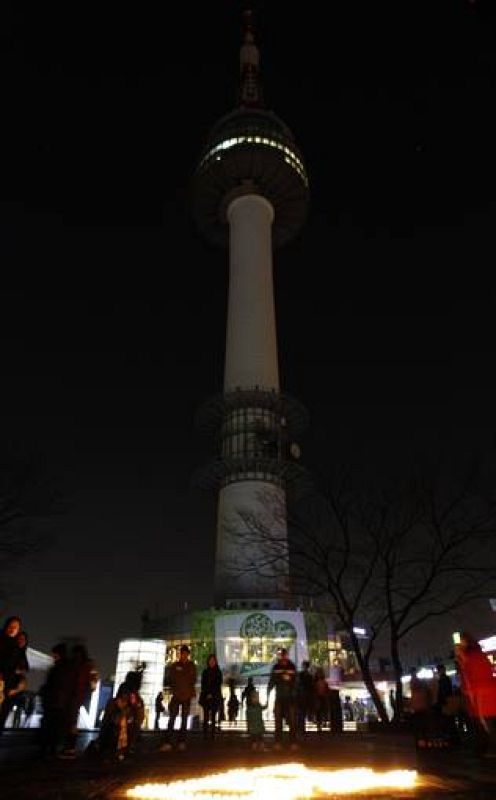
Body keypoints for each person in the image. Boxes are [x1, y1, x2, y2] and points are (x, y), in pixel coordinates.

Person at [456, 631, 496, 756]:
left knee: (486, 723)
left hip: (481, 695)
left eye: (461, 641)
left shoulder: (471, 657)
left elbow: (471, 677)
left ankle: (489, 748)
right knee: (485, 722)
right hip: (483, 694)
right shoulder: (478, 656)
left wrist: (462, 659)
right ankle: (484, 747)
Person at [59, 643, 98, 759]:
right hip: (78, 696)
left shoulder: (73, 664)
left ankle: (69, 748)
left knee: (70, 721)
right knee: (72, 722)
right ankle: (70, 748)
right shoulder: (89, 665)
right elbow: (93, 683)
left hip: (72, 695)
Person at [160, 644, 197, 752]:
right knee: (172, 718)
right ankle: (168, 742)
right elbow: (171, 679)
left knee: (184, 720)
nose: (184, 655)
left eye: (186, 654)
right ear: (180, 654)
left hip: (186, 696)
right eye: (183, 653)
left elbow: (193, 680)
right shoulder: (175, 665)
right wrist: (175, 689)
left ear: (188, 655)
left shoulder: (191, 666)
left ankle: (182, 741)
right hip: (176, 696)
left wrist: (189, 691)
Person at [39, 643, 73, 757]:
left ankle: (47, 749)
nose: (53, 656)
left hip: (55, 701)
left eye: (55, 654)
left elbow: (53, 685)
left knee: (51, 726)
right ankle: (52, 748)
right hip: (60, 702)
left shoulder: (58, 668)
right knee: (56, 727)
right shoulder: (67, 668)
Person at [0, 617, 28, 732]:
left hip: (9, 689)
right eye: (11, 626)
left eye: (16, 627)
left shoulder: (18, 648)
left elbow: (24, 667)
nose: (13, 629)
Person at [268, 648, 298, 750]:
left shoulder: (291, 667)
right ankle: (278, 742)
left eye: (284, 655)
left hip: (290, 698)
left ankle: (292, 742)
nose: (283, 657)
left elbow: (296, 682)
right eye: (282, 655)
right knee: (278, 721)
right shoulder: (277, 667)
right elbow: (272, 681)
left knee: (292, 721)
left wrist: (291, 684)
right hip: (280, 697)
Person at [199, 654, 223, 738]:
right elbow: (203, 684)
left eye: (213, 660)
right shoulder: (205, 672)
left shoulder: (218, 672)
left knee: (213, 716)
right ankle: (205, 734)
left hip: (214, 696)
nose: (212, 662)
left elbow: (218, 684)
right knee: (205, 716)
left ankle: (212, 733)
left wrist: (211, 694)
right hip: (206, 696)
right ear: (208, 662)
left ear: (215, 662)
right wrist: (207, 693)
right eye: (210, 660)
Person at [409, 667, 432, 748]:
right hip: (421, 706)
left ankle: (420, 741)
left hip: (417, 707)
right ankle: (424, 740)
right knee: (422, 724)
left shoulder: (413, 682)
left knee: (418, 725)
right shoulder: (419, 683)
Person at [296, 660, 315, 734]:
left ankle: (300, 728)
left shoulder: (301, 675)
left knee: (301, 713)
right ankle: (301, 728)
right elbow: (311, 687)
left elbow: (297, 685)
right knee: (302, 713)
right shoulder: (309, 676)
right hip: (304, 696)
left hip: (302, 696)